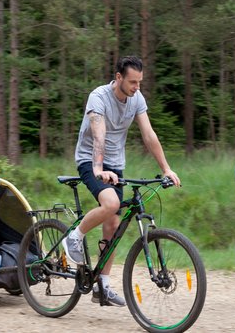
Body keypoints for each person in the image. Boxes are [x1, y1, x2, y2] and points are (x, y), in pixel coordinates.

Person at [62, 55, 182, 307]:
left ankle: (102, 287)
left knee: (113, 225)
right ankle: (75, 235)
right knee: (111, 203)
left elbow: (149, 135)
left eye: (139, 82)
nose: (136, 87)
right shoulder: (99, 97)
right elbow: (99, 133)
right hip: (90, 160)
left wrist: (166, 169)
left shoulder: (136, 99)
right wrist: (97, 168)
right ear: (118, 78)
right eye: (132, 82)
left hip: (116, 165)